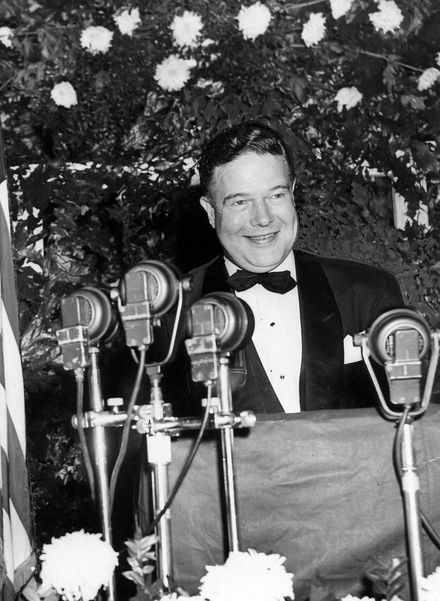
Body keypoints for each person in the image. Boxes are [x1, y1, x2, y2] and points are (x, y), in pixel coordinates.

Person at [158, 121, 405, 414]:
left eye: (275, 195)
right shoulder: (172, 312)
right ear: (211, 212)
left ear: (292, 192)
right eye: (240, 202)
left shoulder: (369, 292)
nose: (262, 218)